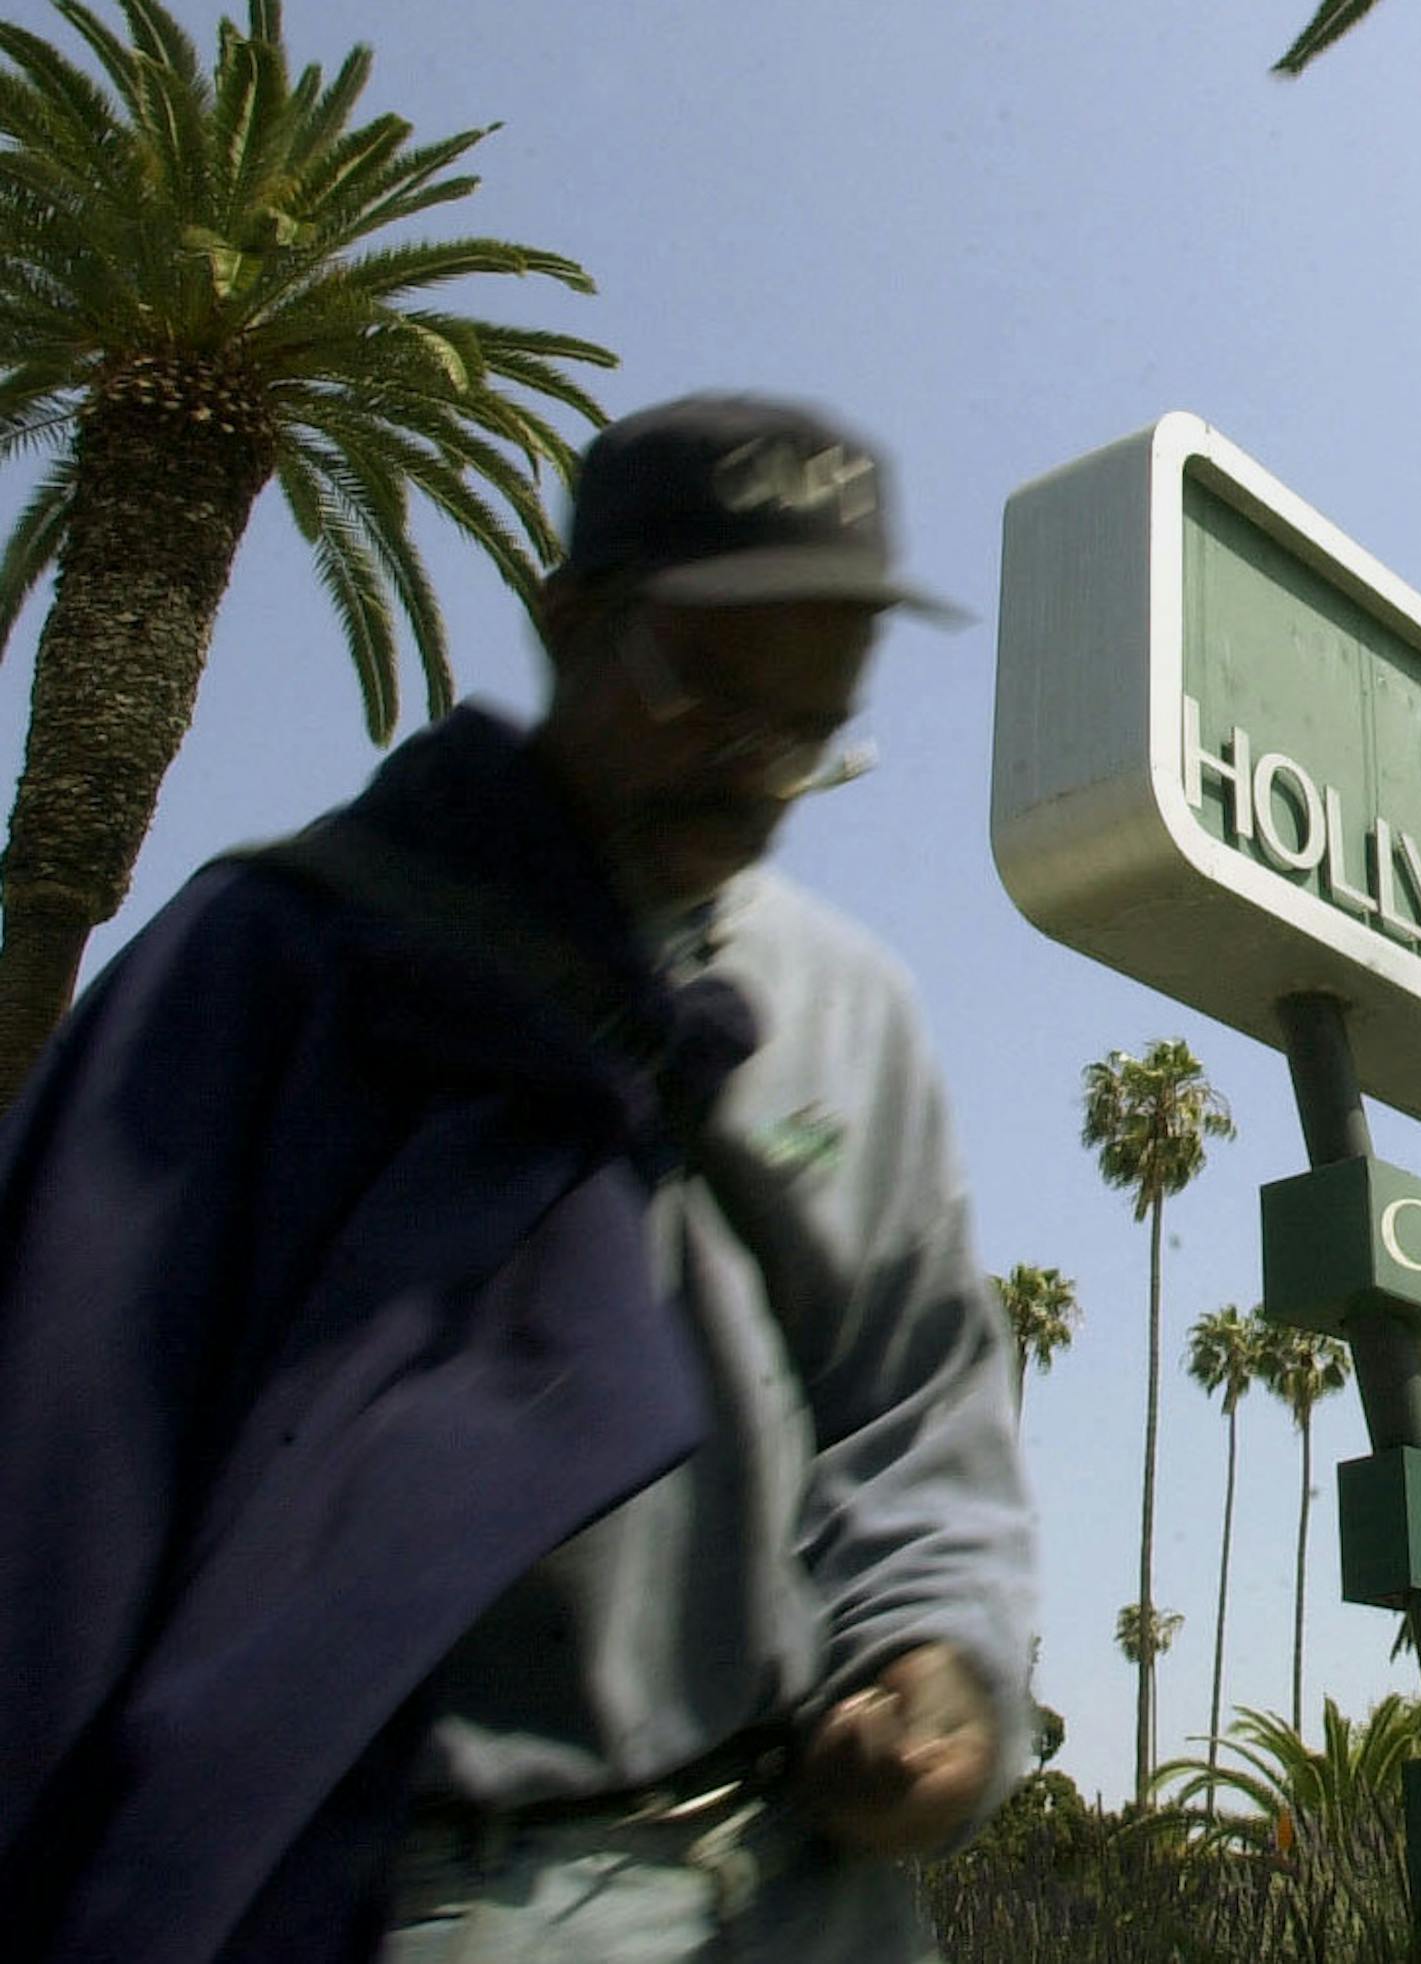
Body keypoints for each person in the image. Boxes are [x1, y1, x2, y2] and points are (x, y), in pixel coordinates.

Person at [0, 393, 1036, 1963]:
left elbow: (919, 1406)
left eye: (813, 730)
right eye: (706, 697)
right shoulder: (281, 961)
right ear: (569, 623)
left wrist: (941, 1659)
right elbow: (62, 1476)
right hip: (421, 1903)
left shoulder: (854, 1009)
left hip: (815, 1902)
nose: (752, 772)